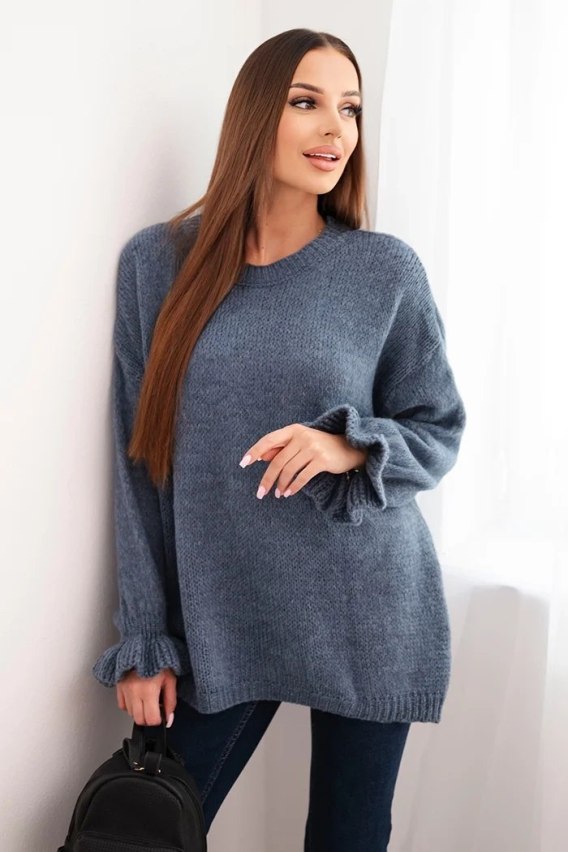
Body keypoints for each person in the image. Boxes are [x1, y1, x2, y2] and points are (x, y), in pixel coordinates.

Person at [92, 28, 467, 851]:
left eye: (350, 109)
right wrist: (145, 637)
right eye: (307, 102)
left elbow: (438, 427)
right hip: (225, 613)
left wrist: (350, 446)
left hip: (367, 607)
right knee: (142, 832)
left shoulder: (383, 272)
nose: (335, 128)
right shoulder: (159, 264)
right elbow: (138, 460)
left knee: (346, 837)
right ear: (256, 114)